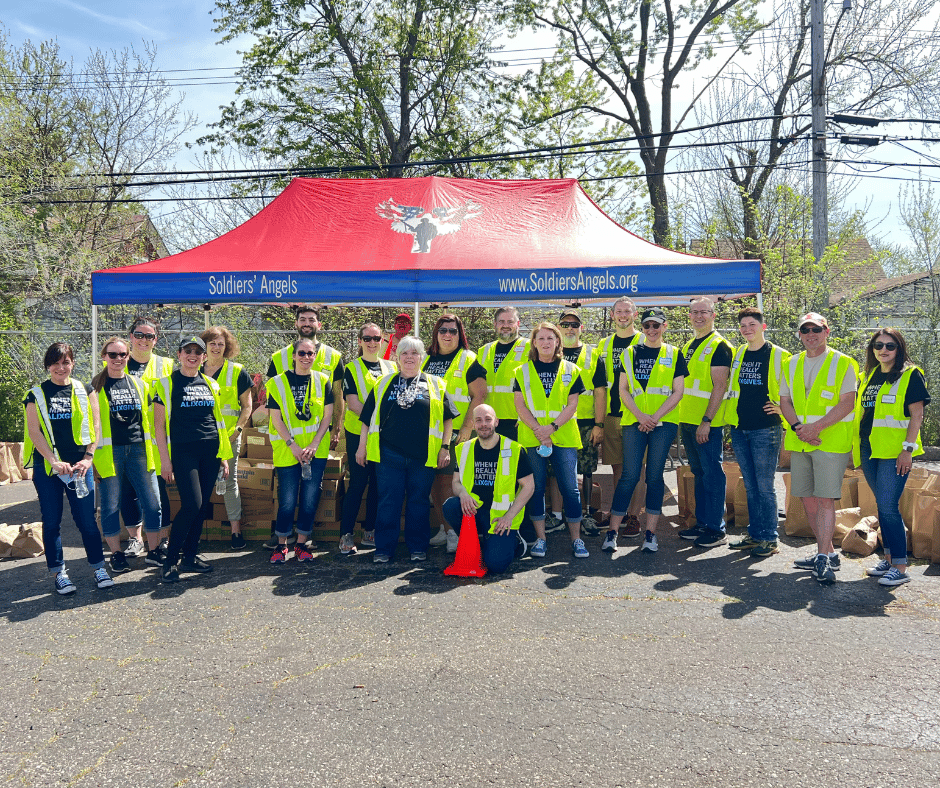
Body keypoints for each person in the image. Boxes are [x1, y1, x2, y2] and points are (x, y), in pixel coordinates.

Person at [356, 336, 458, 563]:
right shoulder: (382, 383)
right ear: (397, 358)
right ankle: (384, 549)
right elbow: (366, 419)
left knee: (418, 502)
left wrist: (445, 447)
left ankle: (417, 548)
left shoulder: (436, 384)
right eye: (404, 353)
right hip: (388, 454)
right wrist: (361, 447)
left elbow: (448, 419)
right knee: (388, 502)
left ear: (421, 358)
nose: (409, 358)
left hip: (423, 455)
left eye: (414, 354)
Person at [24, 342, 113, 594]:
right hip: (49, 468)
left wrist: (88, 458)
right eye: (55, 363)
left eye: (65, 362)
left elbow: (96, 426)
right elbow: (34, 432)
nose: (60, 367)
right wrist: (53, 461)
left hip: (79, 467)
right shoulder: (36, 394)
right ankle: (59, 573)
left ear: (73, 363)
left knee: (86, 520)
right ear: (47, 365)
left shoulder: (85, 389)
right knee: (51, 522)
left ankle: (98, 568)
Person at [779, 312, 858, 584]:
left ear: (827, 331)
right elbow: (785, 400)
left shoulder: (843, 362)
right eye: (805, 330)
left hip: (829, 441)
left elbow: (847, 402)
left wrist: (815, 428)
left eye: (816, 329)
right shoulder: (790, 363)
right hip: (801, 440)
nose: (811, 334)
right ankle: (827, 552)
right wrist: (800, 427)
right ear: (799, 334)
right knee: (808, 499)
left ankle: (822, 557)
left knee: (825, 499)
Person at [603, 309, 687, 554]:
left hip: (663, 422)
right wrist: (641, 417)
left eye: (656, 325)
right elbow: (623, 389)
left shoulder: (674, 353)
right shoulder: (629, 353)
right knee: (629, 476)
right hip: (634, 422)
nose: (651, 330)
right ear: (642, 327)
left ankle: (650, 534)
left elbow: (678, 391)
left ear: (664, 326)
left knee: (654, 476)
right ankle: (612, 532)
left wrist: (654, 418)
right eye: (647, 325)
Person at [153, 337, 232, 582]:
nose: (193, 355)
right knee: (191, 505)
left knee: (201, 507)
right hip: (183, 452)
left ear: (204, 357)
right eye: (188, 351)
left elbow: (218, 421)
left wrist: (224, 456)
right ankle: (170, 561)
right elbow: (158, 427)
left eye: (198, 352)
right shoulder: (165, 384)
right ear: (179, 354)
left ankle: (189, 556)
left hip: (210, 451)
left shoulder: (210, 383)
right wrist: (165, 461)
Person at [855, 329, 929, 587]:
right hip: (869, 448)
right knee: (882, 506)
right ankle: (888, 559)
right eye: (878, 345)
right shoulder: (870, 375)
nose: (883, 350)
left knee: (888, 506)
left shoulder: (911, 374)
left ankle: (900, 566)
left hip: (895, 452)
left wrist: (907, 450)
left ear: (900, 348)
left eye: (890, 345)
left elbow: (916, 416)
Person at [513, 321, 587, 559]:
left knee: (570, 489)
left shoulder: (571, 370)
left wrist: (551, 428)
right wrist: (539, 430)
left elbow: (573, 404)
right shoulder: (521, 371)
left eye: (550, 338)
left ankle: (576, 539)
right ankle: (541, 539)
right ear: (534, 342)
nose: (546, 343)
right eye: (541, 338)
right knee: (535, 489)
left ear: (558, 342)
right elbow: (520, 405)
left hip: (563, 436)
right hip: (533, 438)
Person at [91, 337, 163, 575]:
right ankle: (116, 555)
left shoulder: (139, 384)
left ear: (128, 357)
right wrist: (91, 461)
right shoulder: (94, 387)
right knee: (111, 506)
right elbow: (90, 426)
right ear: (104, 357)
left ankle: (153, 552)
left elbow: (150, 421)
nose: (118, 359)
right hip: (110, 454)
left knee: (153, 503)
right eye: (113, 355)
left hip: (140, 451)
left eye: (123, 355)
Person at [724, 307, 790, 558]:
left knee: (764, 486)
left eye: (752, 324)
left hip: (765, 428)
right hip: (740, 428)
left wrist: (783, 410)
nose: (747, 329)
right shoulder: (739, 352)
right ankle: (755, 534)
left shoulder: (779, 355)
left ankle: (769, 538)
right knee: (750, 486)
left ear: (763, 326)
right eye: (743, 326)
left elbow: (794, 388)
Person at [443, 404, 535, 573]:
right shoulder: (464, 449)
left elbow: (529, 486)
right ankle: (478, 541)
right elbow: (456, 482)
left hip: (502, 518)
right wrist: (463, 493)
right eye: (478, 420)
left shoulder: (514, 449)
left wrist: (508, 517)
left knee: (495, 565)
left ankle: (515, 541)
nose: (483, 424)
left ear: (496, 422)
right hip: (475, 512)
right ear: (473, 423)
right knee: (450, 506)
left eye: (488, 419)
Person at [423, 314, 488, 553]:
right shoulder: (425, 359)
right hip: (430, 434)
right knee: (433, 483)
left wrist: (467, 428)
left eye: (452, 331)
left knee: (449, 483)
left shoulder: (468, 358)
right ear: (435, 334)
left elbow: (480, 395)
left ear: (460, 334)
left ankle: (455, 532)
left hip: (457, 433)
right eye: (443, 331)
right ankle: (443, 528)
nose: (447, 335)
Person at [266, 338, 334, 564]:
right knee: (286, 499)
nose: (306, 357)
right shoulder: (276, 383)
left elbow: (327, 416)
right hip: (288, 451)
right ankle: (281, 544)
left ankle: (302, 543)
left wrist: (314, 444)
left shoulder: (323, 380)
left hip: (315, 452)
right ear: (294, 356)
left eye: (310, 353)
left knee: (309, 499)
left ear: (315, 356)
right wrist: (292, 445)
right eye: (302, 353)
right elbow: (275, 418)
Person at [677, 297, 733, 548]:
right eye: (694, 312)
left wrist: (707, 421)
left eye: (704, 312)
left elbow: (720, 386)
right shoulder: (690, 344)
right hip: (688, 420)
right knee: (699, 473)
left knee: (712, 474)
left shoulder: (720, 346)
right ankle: (702, 522)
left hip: (706, 423)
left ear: (713, 315)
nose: (698, 316)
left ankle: (715, 528)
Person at [119, 316, 175, 565]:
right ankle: (136, 539)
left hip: (156, 440)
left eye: (149, 336)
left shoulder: (166, 365)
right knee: (127, 491)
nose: (143, 340)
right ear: (130, 337)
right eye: (139, 335)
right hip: (124, 438)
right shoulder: (117, 361)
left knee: (158, 492)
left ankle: (162, 539)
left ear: (156, 339)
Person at [339, 323, 396, 555]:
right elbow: (353, 404)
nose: (372, 342)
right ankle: (345, 534)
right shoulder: (351, 368)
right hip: (358, 435)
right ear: (360, 341)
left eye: (376, 338)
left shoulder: (392, 366)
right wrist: (376, 423)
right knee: (358, 484)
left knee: (378, 485)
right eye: (367, 338)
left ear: (382, 340)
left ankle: (370, 530)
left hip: (384, 436)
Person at [550, 309, 606, 536]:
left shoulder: (593, 354)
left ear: (581, 328)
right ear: (559, 328)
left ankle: (586, 515)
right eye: (565, 324)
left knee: (587, 471)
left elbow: (600, 393)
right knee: (555, 471)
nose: (570, 328)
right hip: (555, 423)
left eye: (575, 324)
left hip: (584, 423)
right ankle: (556, 516)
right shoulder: (549, 353)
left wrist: (599, 425)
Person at [596, 296, 645, 535]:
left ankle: (635, 516)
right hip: (612, 415)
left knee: (638, 469)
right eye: (619, 312)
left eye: (627, 311)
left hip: (637, 416)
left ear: (635, 315)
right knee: (617, 469)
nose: (623, 315)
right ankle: (621, 512)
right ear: (613, 315)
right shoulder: (603, 345)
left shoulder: (645, 340)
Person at [201, 326, 253, 550]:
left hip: (229, 437)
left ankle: (235, 532)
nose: (216, 347)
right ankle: (197, 532)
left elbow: (247, 406)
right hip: (200, 437)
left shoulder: (237, 371)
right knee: (200, 484)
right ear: (204, 345)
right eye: (212, 343)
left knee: (229, 483)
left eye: (220, 343)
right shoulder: (193, 368)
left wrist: (238, 431)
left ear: (227, 347)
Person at [268, 305, 344, 450]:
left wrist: (337, 427)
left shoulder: (333, 356)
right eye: (302, 320)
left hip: (320, 435)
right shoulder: (279, 357)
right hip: (286, 436)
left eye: (311, 320)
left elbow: (338, 395)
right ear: (296, 323)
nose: (307, 324)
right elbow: (271, 400)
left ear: (319, 325)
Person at [477, 307, 530, 441]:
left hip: (517, 420)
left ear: (518, 324)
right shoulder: (484, 350)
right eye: (501, 322)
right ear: (495, 324)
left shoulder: (530, 348)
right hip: (489, 420)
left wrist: (526, 417)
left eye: (510, 322)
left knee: (515, 460)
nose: (505, 325)